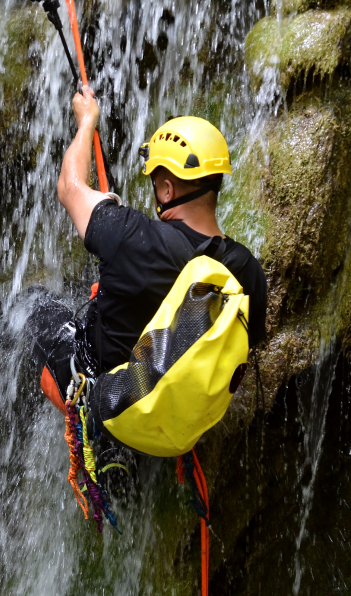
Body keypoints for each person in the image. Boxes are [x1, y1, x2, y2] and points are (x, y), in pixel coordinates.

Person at [27, 85, 267, 414]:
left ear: (167, 190)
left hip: (102, 396)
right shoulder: (246, 271)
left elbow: (70, 188)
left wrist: (86, 121)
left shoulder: (131, 235)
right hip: (174, 407)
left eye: (156, 181)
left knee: (33, 305)